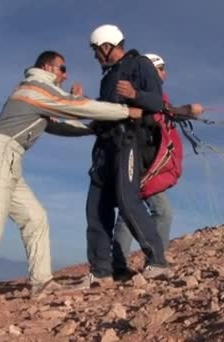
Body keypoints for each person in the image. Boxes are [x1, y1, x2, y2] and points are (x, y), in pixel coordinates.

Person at [0, 50, 144, 314]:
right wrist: (124, 111)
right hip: (0, 156)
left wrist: (92, 128)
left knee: (36, 218)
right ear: (49, 67)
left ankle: (41, 282)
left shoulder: (40, 94)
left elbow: (58, 123)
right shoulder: (36, 87)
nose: (65, 74)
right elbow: (75, 107)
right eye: (63, 69)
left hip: (9, 160)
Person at [76, 24, 171, 289]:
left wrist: (135, 95)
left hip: (128, 142)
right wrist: (83, 103)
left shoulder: (140, 65)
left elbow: (156, 104)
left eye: (97, 50)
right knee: (96, 208)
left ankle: (158, 262)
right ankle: (101, 271)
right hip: (104, 147)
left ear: (107, 46)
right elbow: (107, 110)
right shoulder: (108, 76)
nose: (96, 56)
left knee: (128, 201)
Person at [111, 53, 204, 275]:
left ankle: (131, 264)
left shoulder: (154, 95)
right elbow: (156, 114)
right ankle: (146, 262)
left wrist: (185, 112)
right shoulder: (138, 93)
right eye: (161, 68)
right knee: (155, 211)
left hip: (146, 163)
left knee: (134, 212)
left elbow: (164, 113)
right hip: (138, 161)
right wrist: (187, 110)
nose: (165, 73)